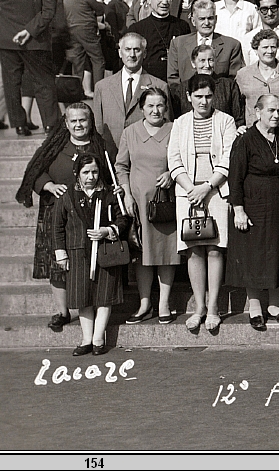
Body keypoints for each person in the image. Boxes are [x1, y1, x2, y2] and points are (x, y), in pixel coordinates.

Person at [16, 103, 110, 331]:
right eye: (73, 121)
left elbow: (110, 174)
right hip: (55, 210)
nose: (78, 125)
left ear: (90, 122)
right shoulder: (55, 146)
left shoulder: (101, 146)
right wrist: (48, 185)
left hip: (89, 215)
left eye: (83, 120)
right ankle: (62, 311)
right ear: (66, 123)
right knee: (57, 263)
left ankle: (91, 307)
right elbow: (35, 171)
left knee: (87, 262)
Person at [167, 74, 239, 336]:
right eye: (198, 96)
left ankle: (213, 308)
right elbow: (174, 159)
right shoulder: (180, 123)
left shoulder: (226, 120)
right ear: (188, 97)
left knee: (215, 249)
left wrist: (208, 187)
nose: (203, 101)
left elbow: (228, 157)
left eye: (208, 96)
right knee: (194, 250)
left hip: (216, 191)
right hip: (187, 193)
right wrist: (191, 190)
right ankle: (198, 308)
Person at [227, 94, 279, 330]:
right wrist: (238, 209)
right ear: (257, 112)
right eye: (270, 110)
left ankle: (274, 304)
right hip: (254, 208)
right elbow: (235, 178)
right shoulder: (245, 140)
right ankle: (256, 306)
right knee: (254, 256)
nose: (276, 115)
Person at [51, 153, 129, 355]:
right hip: (77, 253)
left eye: (94, 171)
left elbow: (123, 221)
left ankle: (98, 338)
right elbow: (57, 226)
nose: (91, 176)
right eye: (86, 172)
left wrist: (107, 231)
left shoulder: (110, 194)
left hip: (105, 253)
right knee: (82, 297)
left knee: (104, 296)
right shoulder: (67, 196)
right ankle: (86, 339)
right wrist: (61, 254)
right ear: (77, 173)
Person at [114, 87, 179, 324]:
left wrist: (172, 173)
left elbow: (184, 158)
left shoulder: (175, 130)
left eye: (160, 105)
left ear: (166, 107)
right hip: (138, 203)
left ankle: (163, 303)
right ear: (142, 108)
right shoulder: (130, 132)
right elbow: (121, 166)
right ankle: (144, 303)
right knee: (142, 253)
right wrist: (127, 195)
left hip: (165, 202)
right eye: (150, 105)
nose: (155, 110)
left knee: (165, 252)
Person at [92, 32, 167, 150]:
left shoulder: (159, 86)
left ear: (145, 53)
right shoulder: (102, 87)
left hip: (145, 155)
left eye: (137, 50)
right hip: (112, 155)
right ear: (120, 53)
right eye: (127, 49)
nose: (132, 55)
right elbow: (98, 128)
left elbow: (165, 129)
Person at [167, 0, 245, 88]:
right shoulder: (178, 44)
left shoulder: (232, 45)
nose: (207, 23)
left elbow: (234, 80)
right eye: (202, 19)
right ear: (193, 21)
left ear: (216, 19)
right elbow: (173, 79)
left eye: (210, 18)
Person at [234, 28, 279, 128]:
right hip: (253, 131)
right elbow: (237, 106)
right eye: (265, 47)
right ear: (255, 49)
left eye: (273, 47)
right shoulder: (243, 75)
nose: (270, 51)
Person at [136, 0, 191, 88]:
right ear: (149, 0)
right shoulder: (138, 29)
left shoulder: (182, 26)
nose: (165, 2)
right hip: (149, 86)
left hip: (176, 85)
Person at [63, 0, 107, 97]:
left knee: (79, 61)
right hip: (87, 30)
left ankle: (77, 91)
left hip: (71, 30)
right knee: (97, 59)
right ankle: (100, 91)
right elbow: (99, 9)